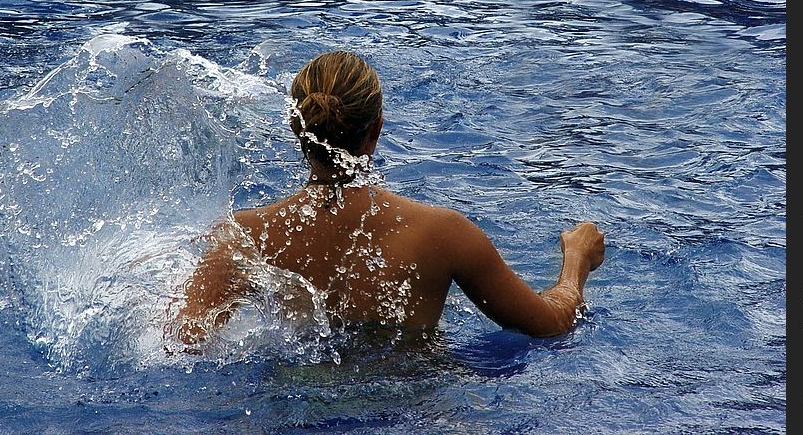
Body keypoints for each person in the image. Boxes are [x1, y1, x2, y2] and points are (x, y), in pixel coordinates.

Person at [177, 51, 604, 344]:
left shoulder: (245, 236)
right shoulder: (444, 234)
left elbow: (183, 345)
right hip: (411, 407)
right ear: (376, 130)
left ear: (297, 132)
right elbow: (549, 325)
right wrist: (576, 261)